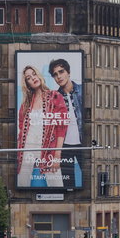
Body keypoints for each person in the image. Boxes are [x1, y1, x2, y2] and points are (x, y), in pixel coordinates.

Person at [17, 65, 68, 188]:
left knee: (56, 186)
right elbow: (20, 129)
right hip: (27, 149)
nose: (33, 78)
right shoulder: (25, 106)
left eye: (34, 74)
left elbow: (62, 127)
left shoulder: (55, 96)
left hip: (48, 150)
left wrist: (57, 155)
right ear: (27, 84)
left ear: (39, 75)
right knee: (21, 184)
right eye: (29, 78)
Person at [49, 58, 84, 190]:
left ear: (68, 72)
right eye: (55, 74)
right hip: (64, 146)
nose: (59, 76)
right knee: (68, 185)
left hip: (83, 144)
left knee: (89, 179)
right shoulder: (54, 97)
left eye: (61, 72)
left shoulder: (82, 91)